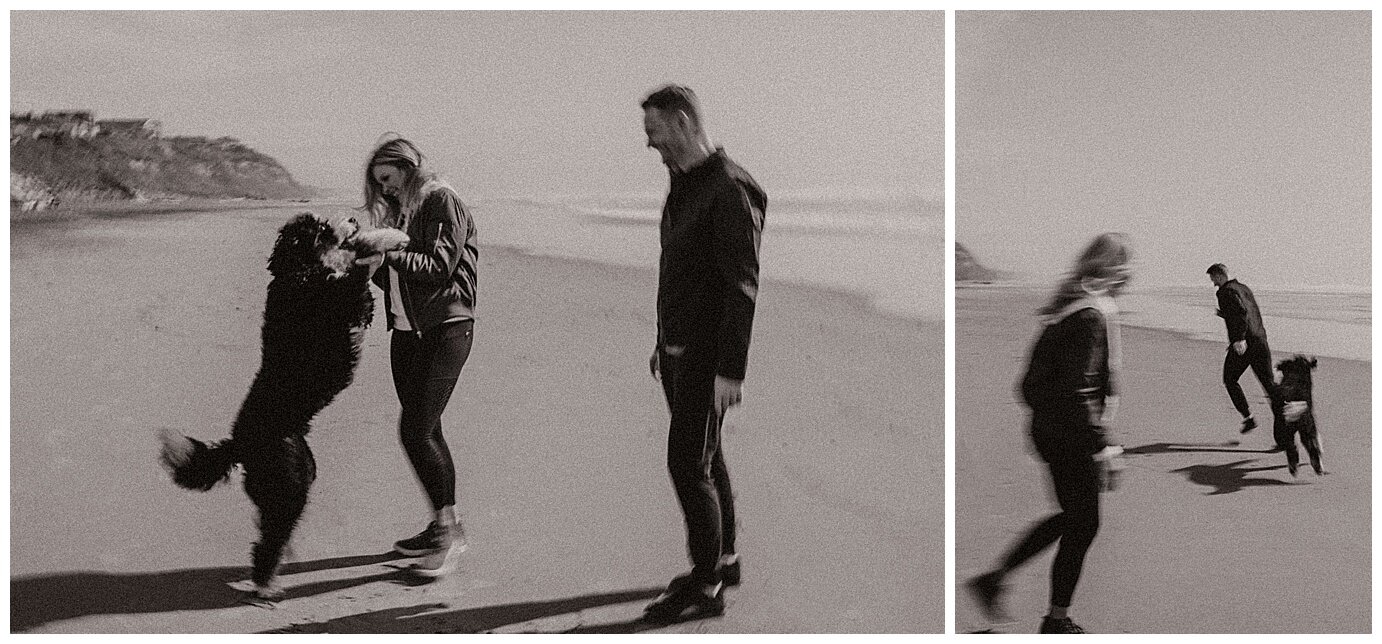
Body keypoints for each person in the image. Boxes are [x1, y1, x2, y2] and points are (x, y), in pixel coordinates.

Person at [639, 85, 766, 623]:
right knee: (707, 457)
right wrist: (662, 341)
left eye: (656, 133)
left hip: (706, 357)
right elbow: (682, 273)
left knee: (687, 462)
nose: (651, 146)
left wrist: (730, 371)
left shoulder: (731, 188)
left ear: (686, 122)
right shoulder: (685, 184)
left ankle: (706, 586)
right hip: (677, 352)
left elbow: (742, 285)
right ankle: (725, 559)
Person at [967, 233, 1132, 635]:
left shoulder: (1069, 309)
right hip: (1071, 435)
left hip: (1052, 433)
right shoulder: (1091, 315)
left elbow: (1028, 385)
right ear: (1113, 269)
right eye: (1125, 266)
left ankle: (1001, 583)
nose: (1130, 274)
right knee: (1083, 521)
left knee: (1075, 518)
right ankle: (1053, 619)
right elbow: (1078, 389)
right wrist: (1103, 444)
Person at [358, 136, 479, 578]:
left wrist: (388, 254)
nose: (385, 190)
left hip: (448, 329)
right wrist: (369, 265)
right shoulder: (402, 212)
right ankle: (442, 523)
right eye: (379, 185)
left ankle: (450, 535)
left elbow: (438, 269)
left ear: (406, 167)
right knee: (429, 429)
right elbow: (397, 283)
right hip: (406, 334)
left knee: (415, 430)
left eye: (388, 179)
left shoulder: (441, 200)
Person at [1207, 263, 1280, 440]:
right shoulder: (1243, 288)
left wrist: (1239, 339)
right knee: (1270, 387)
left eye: (1213, 278)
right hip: (1261, 341)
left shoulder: (1225, 292)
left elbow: (1240, 313)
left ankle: (1248, 418)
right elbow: (1247, 311)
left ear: (1219, 275)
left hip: (1245, 344)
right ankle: (1284, 437)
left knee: (1229, 379)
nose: (1213, 283)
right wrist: (1223, 314)